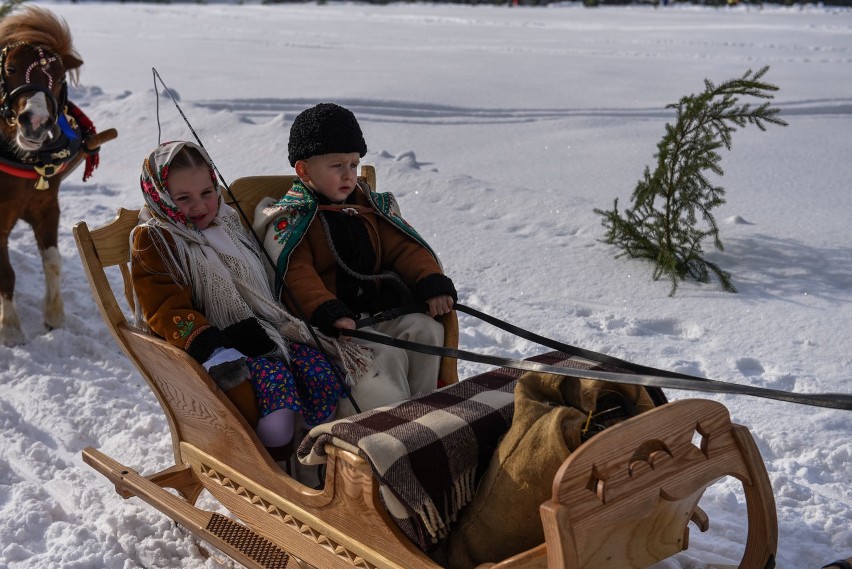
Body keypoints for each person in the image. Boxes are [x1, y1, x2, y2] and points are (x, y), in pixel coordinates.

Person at [130, 140, 367, 460]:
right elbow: (164, 307)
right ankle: (274, 468)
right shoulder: (156, 238)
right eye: (183, 198)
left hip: (263, 331)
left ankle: (313, 460)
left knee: (322, 372)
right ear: (159, 196)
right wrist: (212, 343)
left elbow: (260, 281)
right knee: (277, 397)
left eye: (207, 193)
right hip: (216, 350)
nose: (199, 207)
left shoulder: (227, 222)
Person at [254, 103, 459, 414]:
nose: (348, 175)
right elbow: (296, 273)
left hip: (375, 313)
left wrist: (429, 280)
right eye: (337, 166)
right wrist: (327, 310)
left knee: (425, 330)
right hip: (328, 327)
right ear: (304, 170)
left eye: (353, 164)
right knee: (386, 355)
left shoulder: (367, 207)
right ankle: (390, 421)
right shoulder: (293, 217)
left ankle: (425, 411)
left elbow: (404, 248)